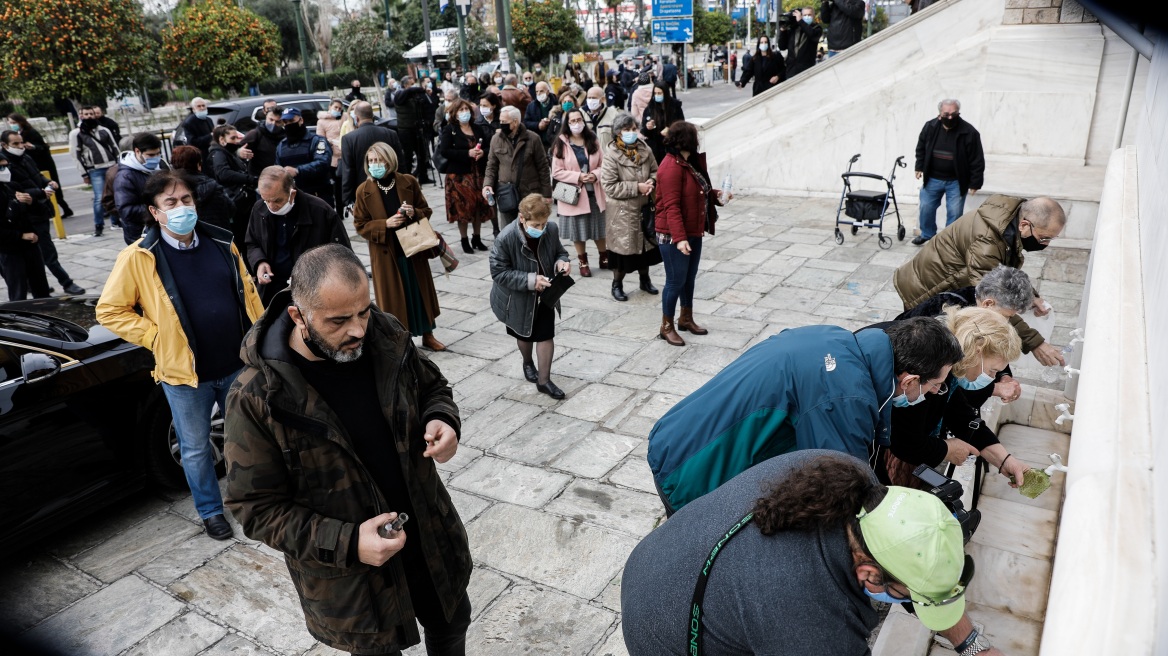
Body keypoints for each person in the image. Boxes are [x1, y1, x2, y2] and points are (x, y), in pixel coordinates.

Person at [224, 244, 472, 656]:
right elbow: (255, 507)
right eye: (339, 320)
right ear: (298, 316)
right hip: (354, 582)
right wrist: (348, 542)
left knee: (451, 627)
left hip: (430, 543)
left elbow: (432, 387)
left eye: (363, 311)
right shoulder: (257, 398)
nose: (358, 329)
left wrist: (442, 419)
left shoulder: (386, 334)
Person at [623, 450, 995, 656]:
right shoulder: (808, 621)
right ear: (869, 575)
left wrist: (971, 646)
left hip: (664, 553)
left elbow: (915, 574)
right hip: (660, 632)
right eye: (910, 594)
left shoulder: (848, 473)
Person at [648, 316, 963, 514]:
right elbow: (840, 488)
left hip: (675, 434)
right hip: (692, 475)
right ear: (909, 381)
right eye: (937, 384)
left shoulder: (837, 339)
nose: (937, 392)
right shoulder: (846, 396)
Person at [97, 170, 264, 541]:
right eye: (170, 203)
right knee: (195, 447)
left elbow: (248, 293)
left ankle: (253, 500)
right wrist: (156, 337)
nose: (181, 208)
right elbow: (110, 310)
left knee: (248, 438)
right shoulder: (138, 257)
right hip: (185, 374)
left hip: (236, 363)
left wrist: (261, 335)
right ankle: (210, 511)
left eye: (186, 200)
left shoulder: (222, 241)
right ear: (155, 212)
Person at [894, 195, 1068, 366]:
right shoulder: (987, 241)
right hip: (924, 289)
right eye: (1044, 238)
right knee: (921, 350)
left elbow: (1005, 272)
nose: (1045, 244)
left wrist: (1031, 296)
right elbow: (996, 300)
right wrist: (1035, 343)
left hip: (945, 284)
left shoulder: (1008, 221)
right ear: (1024, 225)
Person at [870, 307, 1030, 492]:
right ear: (978, 352)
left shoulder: (948, 361)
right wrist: (947, 449)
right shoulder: (926, 366)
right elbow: (906, 443)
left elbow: (960, 414)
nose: (992, 378)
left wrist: (1005, 461)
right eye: (993, 370)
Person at [352, 143, 446, 352]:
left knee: (419, 292)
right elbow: (360, 224)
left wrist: (414, 213)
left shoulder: (408, 181)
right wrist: (384, 224)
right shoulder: (363, 190)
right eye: (371, 161)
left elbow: (426, 210)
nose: (375, 165)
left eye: (379, 160)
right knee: (395, 298)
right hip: (386, 252)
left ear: (389, 160)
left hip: (412, 246)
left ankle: (428, 334)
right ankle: (402, 342)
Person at [489, 194, 572, 399]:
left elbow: (560, 252)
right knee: (523, 333)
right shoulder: (506, 238)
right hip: (517, 297)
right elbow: (498, 273)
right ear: (521, 218)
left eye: (544, 223)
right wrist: (530, 280)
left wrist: (562, 262)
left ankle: (544, 381)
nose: (542, 228)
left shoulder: (551, 229)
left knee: (545, 334)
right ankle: (527, 362)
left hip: (545, 292)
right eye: (536, 224)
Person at [654, 122, 721, 347]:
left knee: (688, 279)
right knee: (675, 281)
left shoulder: (688, 162)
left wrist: (716, 195)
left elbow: (699, 191)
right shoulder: (671, 167)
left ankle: (685, 318)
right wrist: (680, 238)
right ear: (687, 140)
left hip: (692, 230)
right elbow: (671, 206)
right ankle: (666, 326)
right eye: (695, 136)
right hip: (673, 235)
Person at [246, 166, 351, 306]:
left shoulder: (321, 211)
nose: (271, 206)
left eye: (277, 201)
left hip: (312, 293)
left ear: (292, 193)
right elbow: (252, 242)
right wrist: (259, 262)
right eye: (266, 200)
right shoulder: (259, 209)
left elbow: (342, 256)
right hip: (272, 291)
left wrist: (309, 275)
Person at [2, 130, 85, 295]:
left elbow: (37, 175)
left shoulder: (25, 157)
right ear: (4, 145)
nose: (20, 146)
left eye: (21, 142)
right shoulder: (5, 165)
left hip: (39, 210)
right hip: (25, 217)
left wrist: (48, 182)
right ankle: (65, 282)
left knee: (44, 254)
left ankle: (43, 286)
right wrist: (39, 193)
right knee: (41, 254)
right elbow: (16, 192)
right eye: (15, 144)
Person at [601, 114, 661, 302]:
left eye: (634, 129)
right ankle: (617, 285)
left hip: (644, 209)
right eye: (627, 130)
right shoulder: (611, 154)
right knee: (623, 252)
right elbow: (609, 186)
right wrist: (637, 187)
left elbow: (655, 170)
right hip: (622, 212)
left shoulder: (645, 149)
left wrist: (652, 180)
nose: (632, 133)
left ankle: (645, 280)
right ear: (618, 133)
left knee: (645, 248)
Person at [913, 98, 986, 245]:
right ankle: (927, 234)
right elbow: (921, 148)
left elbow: (977, 159)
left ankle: (948, 242)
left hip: (956, 181)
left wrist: (975, 182)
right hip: (932, 178)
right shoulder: (930, 127)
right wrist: (919, 166)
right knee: (926, 207)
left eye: (954, 114)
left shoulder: (969, 132)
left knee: (954, 213)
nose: (950, 117)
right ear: (940, 114)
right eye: (947, 114)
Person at [551, 108, 608, 278]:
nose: (577, 123)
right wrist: (579, 176)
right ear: (567, 124)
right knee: (578, 229)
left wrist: (595, 175)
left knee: (599, 227)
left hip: (594, 192)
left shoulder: (593, 140)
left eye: (579, 119)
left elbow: (604, 164)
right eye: (572, 121)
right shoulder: (560, 144)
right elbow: (556, 172)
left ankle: (604, 256)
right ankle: (583, 261)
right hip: (573, 194)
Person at [439, 100, 493, 254]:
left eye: (466, 109)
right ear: (455, 113)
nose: (464, 112)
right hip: (459, 176)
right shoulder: (450, 130)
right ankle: (464, 239)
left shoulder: (477, 129)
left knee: (478, 206)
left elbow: (488, 146)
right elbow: (445, 151)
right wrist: (466, 153)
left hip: (477, 173)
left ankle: (477, 237)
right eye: (461, 109)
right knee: (462, 208)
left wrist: (483, 153)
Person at [483, 106, 552, 227]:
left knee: (530, 228)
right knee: (508, 231)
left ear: (515, 122)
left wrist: (547, 194)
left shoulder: (533, 138)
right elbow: (491, 165)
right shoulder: (496, 139)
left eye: (504, 122)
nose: (501, 124)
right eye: (500, 121)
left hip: (529, 194)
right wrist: (487, 184)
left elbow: (543, 167)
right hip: (506, 193)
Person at [897, 264, 1034, 321]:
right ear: (988, 303)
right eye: (1005, 316)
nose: (1006, 321)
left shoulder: (977, 299)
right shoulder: (949, 313)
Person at [0, 152, 50, 300]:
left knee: (41, 288)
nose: (6, 171)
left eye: (7, 166)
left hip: (30, 246)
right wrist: (20, 235)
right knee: (18, 292)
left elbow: (39, 212)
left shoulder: (12, 186)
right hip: (10, 250)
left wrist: (30, 202)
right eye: (1, 168)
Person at [8, 113, 73, 217]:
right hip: (32, 166)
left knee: (50, 188)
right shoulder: (17, 134)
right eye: (10, 123)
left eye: (14, 122)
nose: (12, 125)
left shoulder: (30, 132)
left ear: (20, 122)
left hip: (43, 164)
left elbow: (43, 147)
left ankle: (64, 209)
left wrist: (32, 146)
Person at [341, 102, 405, 207]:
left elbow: (348, 171)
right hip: (391, 187)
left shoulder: (349, 139)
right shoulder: (390, 133)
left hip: (365, 191)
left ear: (356, 118)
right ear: (372, 116)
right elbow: (400, 163)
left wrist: (347, 200)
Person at [68, 106, 120, 236]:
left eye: (91, 114)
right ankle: (99, 225)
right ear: (81, 116)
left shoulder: (104, 130)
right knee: (99, 198)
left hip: (111, 166)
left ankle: (116, 222)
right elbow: (76, 155)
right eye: (86, 114)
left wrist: (120, 165)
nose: (89, 116)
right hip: (95, 169)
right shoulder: (77, 133)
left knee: (115, 194)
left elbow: (114, 147)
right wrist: (84, 173)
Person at [208, 124, 258, 250]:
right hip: (235, 204)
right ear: (222, 140)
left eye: (237, 138)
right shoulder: (218, 154)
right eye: (232, 138)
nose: (236, 141)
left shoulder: (227, 153)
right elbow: (223, 173)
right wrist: (249, 179)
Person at [113, 132, 164, 245]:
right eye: (150, 155)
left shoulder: (161, 166)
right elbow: (126, 211)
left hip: (161, 228)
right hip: (140, 234)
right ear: (137, 151)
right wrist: (159, 209)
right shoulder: (125, 177)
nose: (156, 158)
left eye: (158, 153)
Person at [275, 107, 332, 207]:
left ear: (301, 120)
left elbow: (323, 163)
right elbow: (278, 169)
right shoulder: (281, 146)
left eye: (291, 121)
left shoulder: (317, 141)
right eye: (285, 122)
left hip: (318, 195)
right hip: (294, 198)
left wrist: (298, 171)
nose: (288, 125)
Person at [170, 145, 235, 233]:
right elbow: (230, 209)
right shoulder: (213, 186)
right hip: (217, 236)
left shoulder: (170, 189)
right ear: (198, 164)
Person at [394, 77, 433, 184]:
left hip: (417, 128)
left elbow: (426, 106)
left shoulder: (414, 94)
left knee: (422, 153)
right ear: (406, 85)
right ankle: (407, 178)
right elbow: (401, 98)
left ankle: (423, 176)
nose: (414, 87)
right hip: (405, 130)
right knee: (408, 155)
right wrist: (417, 89)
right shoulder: (399, 94)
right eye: (411, 84)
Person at [640, 81, 685, 164]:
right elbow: (644, 130)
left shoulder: (675, 107)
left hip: (672, 148)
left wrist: (671, 131)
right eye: (655, 93)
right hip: (656, 150)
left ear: (665, 93)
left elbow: (682, 125)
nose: (657, 95)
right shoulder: (650, 108)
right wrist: (648, 127)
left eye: (659, 93)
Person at [317, 99, 347, 211]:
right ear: (330, 107)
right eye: (335, 107)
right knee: (337, 186)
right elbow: (320, 139)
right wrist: (330, 141)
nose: (338, 110)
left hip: (346, 156)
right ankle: (339, 210)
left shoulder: (345, 117)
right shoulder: (322, 121)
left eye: (340, 108)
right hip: (333, 158)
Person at [779, 7, 823, 78]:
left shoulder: (817, 28)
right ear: (801, 16)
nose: (807, 17)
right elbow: (782, 46)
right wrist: (783, 31)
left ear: (814, 16)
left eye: (809, 15)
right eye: (804, 15)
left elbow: (811, 34)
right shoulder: (794, 29)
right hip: (791, 70)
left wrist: (800, 21)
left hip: (807, 70)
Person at [241, 107, 284, 176]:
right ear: (266, 117)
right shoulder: (255, 134)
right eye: (271, 119)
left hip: (280, 176)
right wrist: (240, 152)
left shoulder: (285, 136)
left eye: (278, 122)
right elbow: (236, 150)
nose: (273, 124)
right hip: (260, 177)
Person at [522, 81, 558, 148]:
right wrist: (538, 125)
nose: (538, 94)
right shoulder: (531, 106)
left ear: (547, 92)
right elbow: (526, 123)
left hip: (555, 142)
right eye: (537, 91)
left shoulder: (556, 103)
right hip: (539, 143)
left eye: (541, 91)